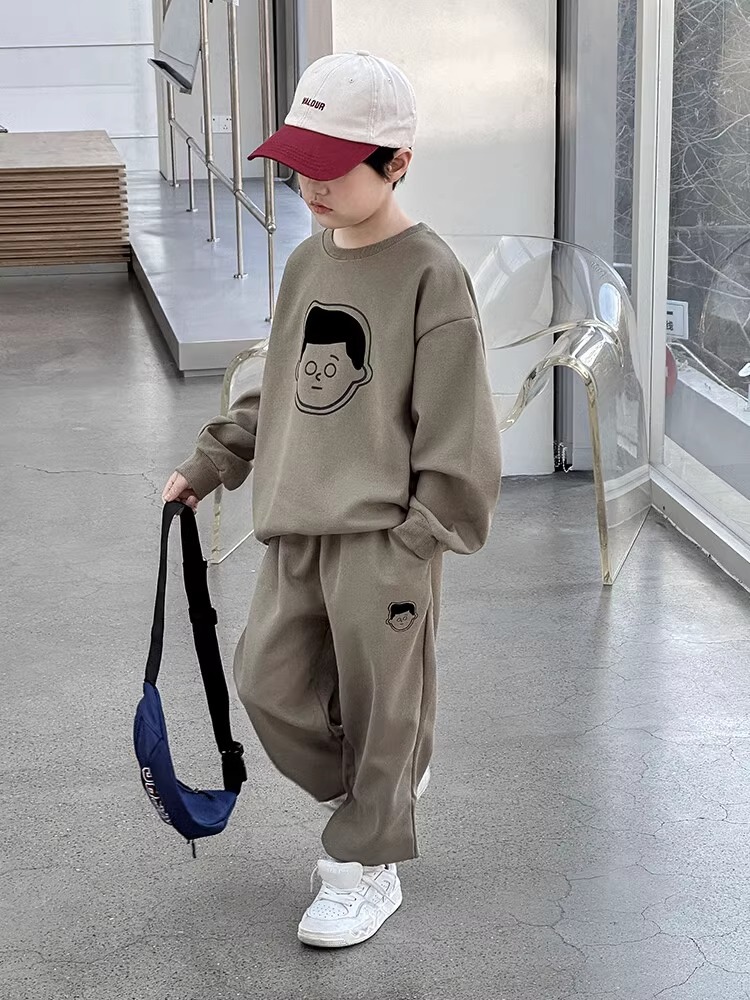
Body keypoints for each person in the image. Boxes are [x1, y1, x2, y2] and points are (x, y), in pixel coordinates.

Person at [162, 50, 501, 949]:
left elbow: (461, 429)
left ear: (397, 162)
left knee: (384, 705)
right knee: (269, 685)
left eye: (332, 166)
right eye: (299, 163)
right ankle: (380, 790)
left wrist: (420, 537)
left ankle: (364, 864)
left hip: (384, 539)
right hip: (296, 526)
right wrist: (213, 460)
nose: (310, 184)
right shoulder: (308, 261)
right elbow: (274, 386)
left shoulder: (431, 275)